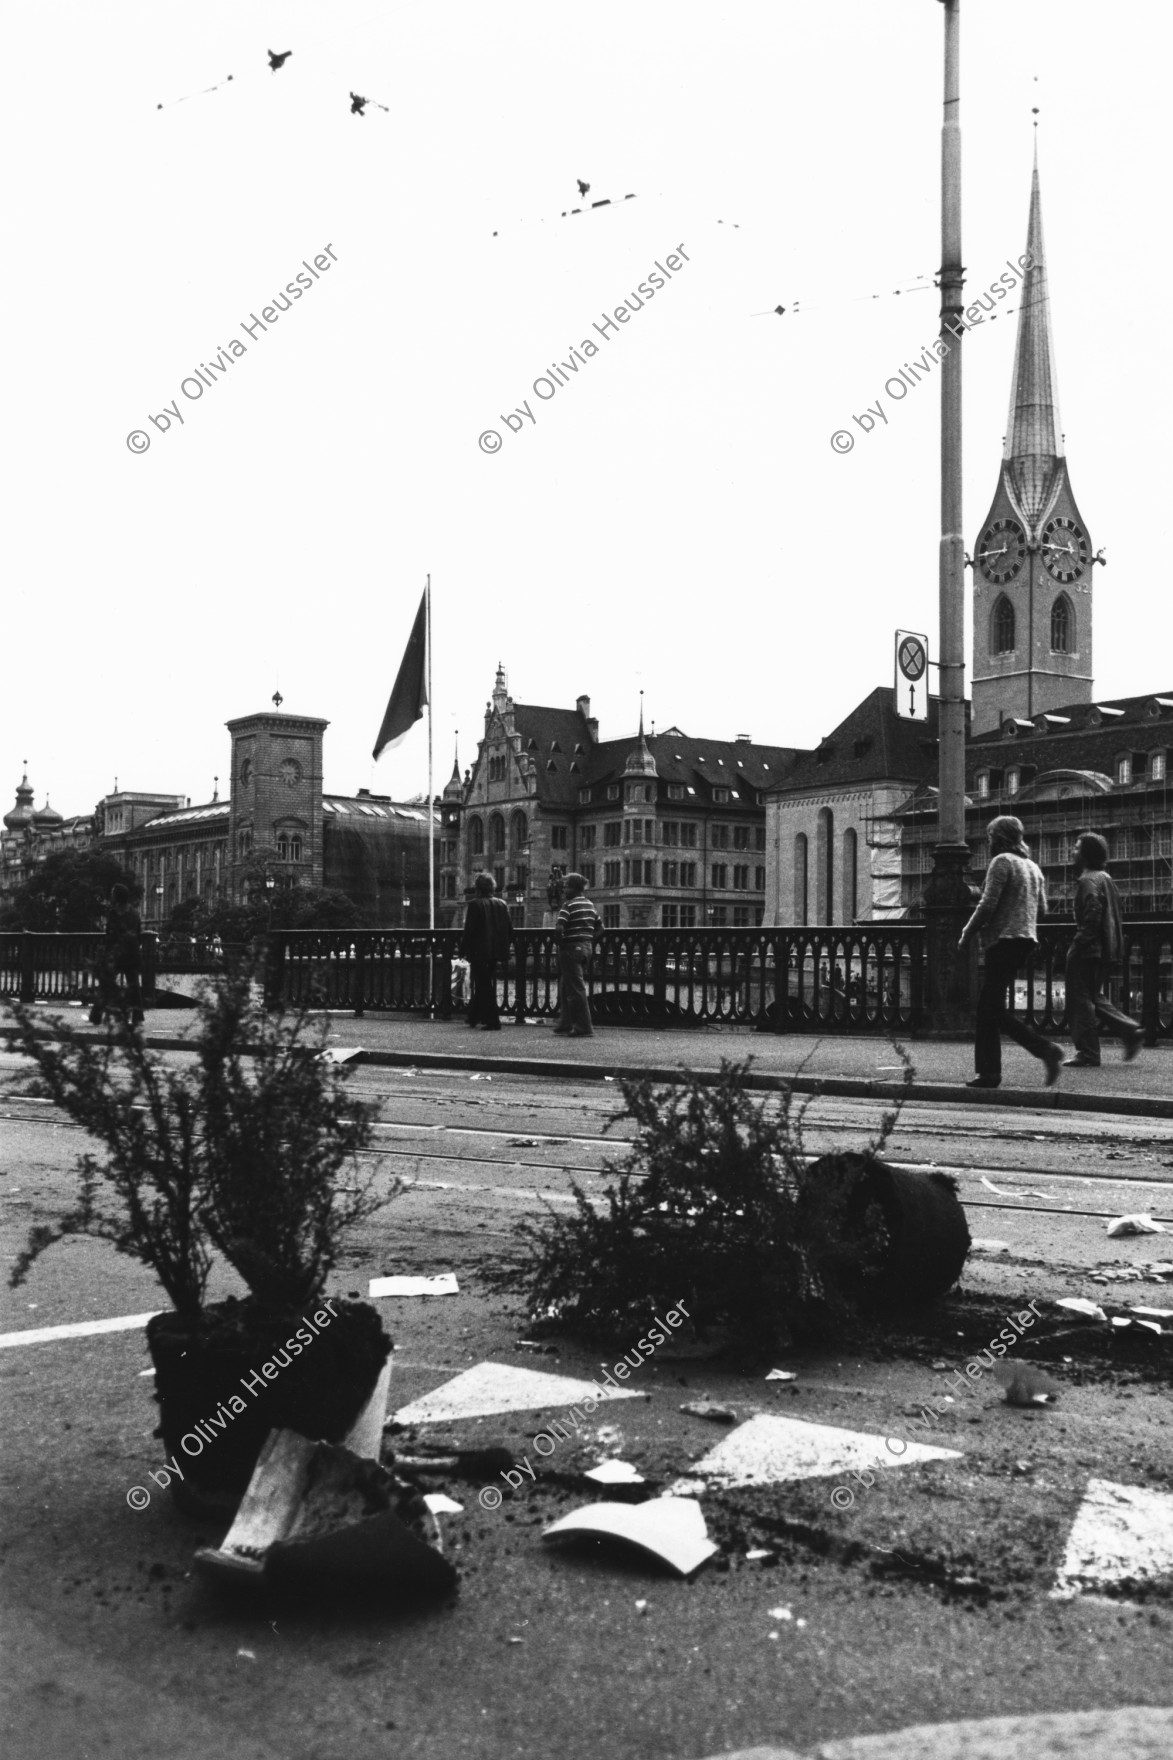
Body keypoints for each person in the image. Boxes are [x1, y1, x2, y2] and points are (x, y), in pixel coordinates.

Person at [957, 815, 1064, 1090]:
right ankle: (990, 1073)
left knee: (988, 1008)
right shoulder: (1032, 866)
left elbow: (987, 905)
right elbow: (1042, 909)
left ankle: (1042, 1050)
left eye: (991, 837)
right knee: (991, 1007)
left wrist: (967, 933)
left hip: (1003, 940)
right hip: (1025, 940)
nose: (989, 842)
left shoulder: (1002, 862)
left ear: (999, 839)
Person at [1064, 831, 1143, 1068]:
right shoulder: (1105, 877)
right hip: (1106, 947)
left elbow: (1093, 913)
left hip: (1088, 949)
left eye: (1077, 848)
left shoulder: (1088, 880)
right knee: (1092, 996)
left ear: (1086, 855)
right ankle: (1129, 1030)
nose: (1073, 851)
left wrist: (1078, 943)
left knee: (1080, 1000)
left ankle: (1088, 1052)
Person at [459, 873, 514, 1029]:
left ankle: (493, 1021)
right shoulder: (502, 904)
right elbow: (510, 930)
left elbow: (469, 931)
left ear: (478, 889)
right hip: (496, 951)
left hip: (479, 951)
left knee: (483, 985)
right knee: (484, 982)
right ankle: (473, 1017)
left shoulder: (475, 905)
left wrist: (463, 950)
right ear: (492, 887)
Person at [553, 871, 602, 1038]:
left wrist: (561, 943)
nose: (564, 890)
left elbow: (559, 928)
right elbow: (601, 928)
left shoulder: (569, 905)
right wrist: (587, 940)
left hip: (570, 948)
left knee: (575, 989)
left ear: (573, 888)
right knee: (565, 984)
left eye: (566, 886)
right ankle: (565, 1023)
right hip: (586, 948)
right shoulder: (590, 904)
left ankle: (583, 1027)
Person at [91, 883, 144, 1026]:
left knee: (105, 983)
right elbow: (138, 934)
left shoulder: (114, 913)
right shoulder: (134, 912)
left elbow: (111, 936)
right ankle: (138, 1016)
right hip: (133, 953)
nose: (111, 895)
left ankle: (96, 1015)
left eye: (113, 893)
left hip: (119, 954)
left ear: (117, 896)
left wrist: (106, 954)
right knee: (134, 985)